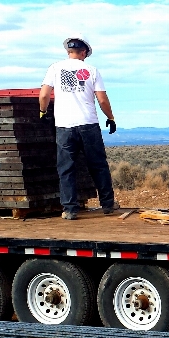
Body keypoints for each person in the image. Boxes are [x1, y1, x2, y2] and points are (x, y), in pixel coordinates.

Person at [39, 34, 120, 219]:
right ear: (83, 52)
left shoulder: (55, 68)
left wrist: (43, 112)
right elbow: (102, 99)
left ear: (69, 51)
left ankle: (70, 209)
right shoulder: (92, 70)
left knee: (66, 168)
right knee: (98, 165)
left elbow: (44, 95)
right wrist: (111, 117)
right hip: (88, 124)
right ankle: (107, 205)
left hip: (64, 126)